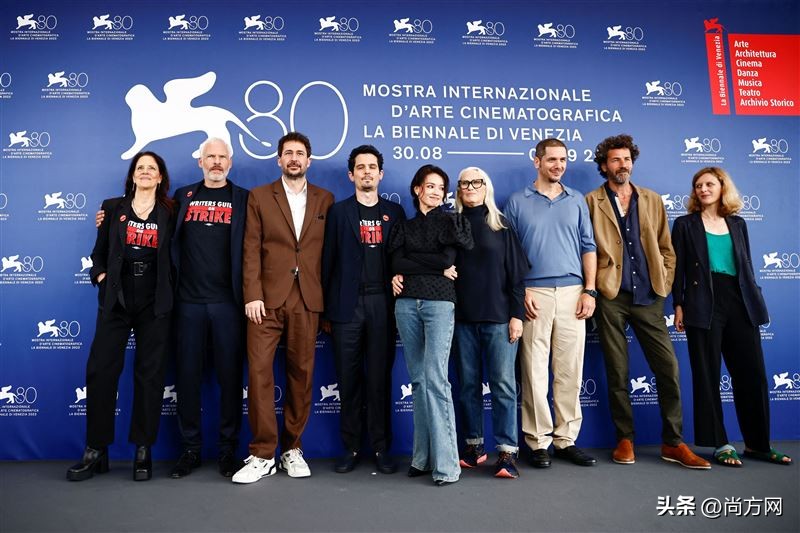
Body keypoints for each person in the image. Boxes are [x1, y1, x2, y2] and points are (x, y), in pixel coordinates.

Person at [586, 134, 709, 469]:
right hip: (611, 295)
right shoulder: (590, 201)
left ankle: (673, 442)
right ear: (603, 165)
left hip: (649, 297)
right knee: (617, 369)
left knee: (667, 368)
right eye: (615, 160)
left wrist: (664, 285)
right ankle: (624, 438)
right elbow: (586, 248)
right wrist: (595, 285)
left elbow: (667, 248)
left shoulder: (652, 199)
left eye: (626, 159)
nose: (622, 165)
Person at [672, 167, 792, 467]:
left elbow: (746, 266)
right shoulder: (685, 225)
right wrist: (678, 305)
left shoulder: (737, 224)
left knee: (753, 374)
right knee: (707, 374)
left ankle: (758, 445)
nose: (703, 189)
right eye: (698, 185)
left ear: (723, 187)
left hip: (740, 301)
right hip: (702, 301)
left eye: (709, 184)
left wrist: (754, 298)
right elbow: (678, 270)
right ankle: (720, 444)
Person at [67, 152, 175, 482]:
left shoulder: (172, 211)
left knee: (150, 374)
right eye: (139, 168)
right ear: (132, 176)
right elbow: (98, 252)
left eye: (151, 169)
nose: (144, 172)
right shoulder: (112, 208)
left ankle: (143, 449)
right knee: (100, 371)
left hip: (154, 298)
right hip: (116, 295)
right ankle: (95, 450)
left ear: (160, 178)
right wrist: (100, 277)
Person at [233, 132, 334, 483]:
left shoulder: (326, 199)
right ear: (279, 160)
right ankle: (262, 453)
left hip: (307, 299)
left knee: (302, 376)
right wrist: (252, 294)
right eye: (288, 153)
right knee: (259, 374)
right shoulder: (259, 197)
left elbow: (330, 255)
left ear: (309, 160)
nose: (294, 158)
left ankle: (292, 449)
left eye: (300, 153)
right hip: (265, 301)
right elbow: (250, 249)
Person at [504, 138, 598, 469]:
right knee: (533, 371)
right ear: (537, 162)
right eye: (552, 159)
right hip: (533, 295)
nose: (558, 165)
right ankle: (538, 441)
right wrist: (521, 291)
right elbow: (510, 255)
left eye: (563, 160)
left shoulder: (576, 201)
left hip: (574, 293)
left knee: (570, 370)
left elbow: (589, 246)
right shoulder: (516, 202)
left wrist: (590, 289)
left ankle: (566, 439)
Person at [321, 145, 406, 475]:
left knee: (379, 380)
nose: (367, 171)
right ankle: (351, 447)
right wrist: (326, 311)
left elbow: (402, 258)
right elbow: (326, 262)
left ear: (380, 174)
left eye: (373, 167)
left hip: (383, 304)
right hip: (347, 306)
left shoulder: (394, 214)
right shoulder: (339, 212)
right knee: (348, 379)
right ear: (351, 175)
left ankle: (383, 449)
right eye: (361, 167)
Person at [388, 164, 473, 486]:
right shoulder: (404, 226)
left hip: (439, 304)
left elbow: (446, 261)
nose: (436, 191)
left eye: (441, 187)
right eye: (431, 186)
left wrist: (420, 264)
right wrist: (429, 264)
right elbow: (396, 262)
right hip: (406, 304)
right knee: (419, 381)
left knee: (436, 380)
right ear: (417, 189)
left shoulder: (452, 222)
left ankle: (448, 466)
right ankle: (421, 458)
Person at [168, 138, 249, 478]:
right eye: (209, 157)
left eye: (221, 157)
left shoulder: (244, 198)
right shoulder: (182, 197)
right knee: (187, 378)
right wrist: (109, 215)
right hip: (187, 303)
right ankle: (190, 450)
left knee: (230, 380)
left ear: (230, 162)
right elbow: (148, 218)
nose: (216, 162)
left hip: (228, 304)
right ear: (200, 162)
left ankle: (228, 451)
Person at [452, 167, 529, 479]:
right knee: (468, 385)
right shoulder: (451, 224)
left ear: (487, 187)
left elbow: (517, 277)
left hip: (499, 319)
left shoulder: (502, 226)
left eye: (476, 182)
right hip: (460, 320)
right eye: (464, 183)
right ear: (458, 189)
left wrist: (517, 316)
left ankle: (507, 453)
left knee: (503, 386)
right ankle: (473, 447)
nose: (470, 187)